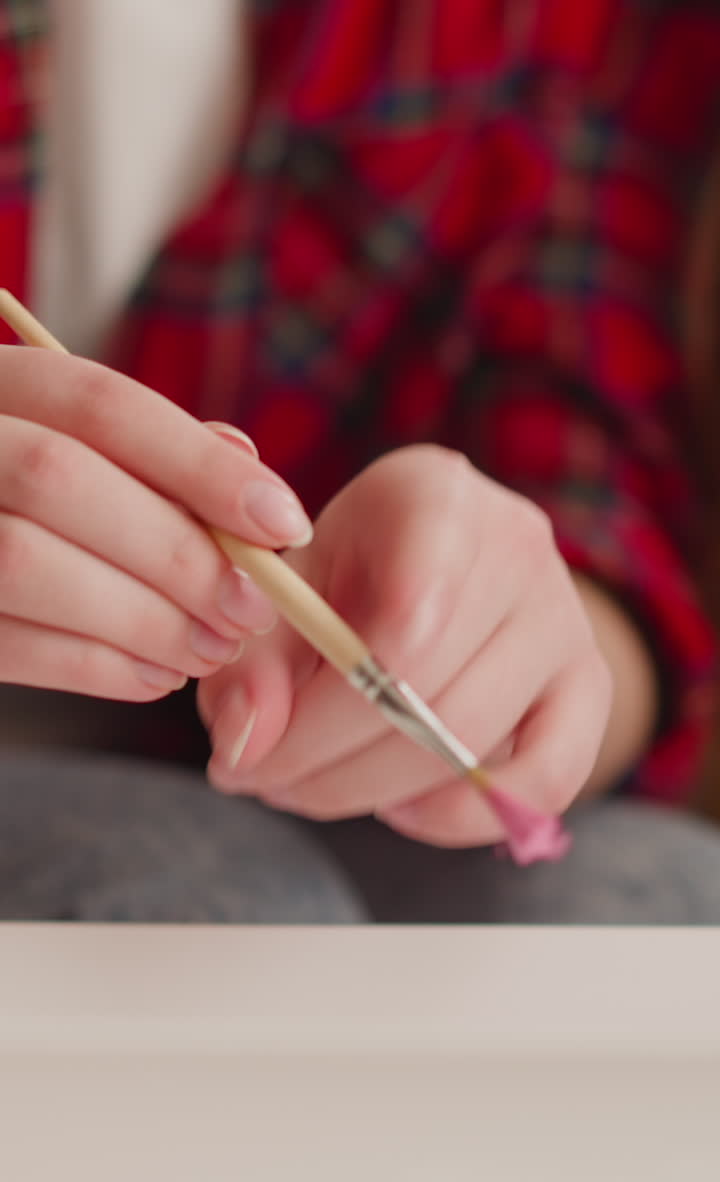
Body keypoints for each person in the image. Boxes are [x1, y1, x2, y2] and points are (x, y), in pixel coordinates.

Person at [0, 0, 719, 923]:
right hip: (187, 817)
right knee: (221, 911)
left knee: (665, 910)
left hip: (234, 760)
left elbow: (591, 446)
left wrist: (523, 650)